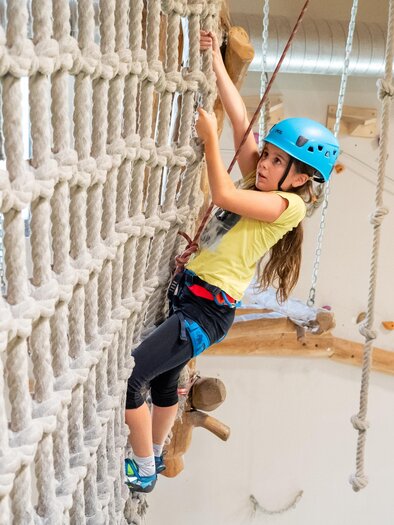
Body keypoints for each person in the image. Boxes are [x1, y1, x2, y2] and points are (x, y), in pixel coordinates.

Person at [124, 30, 339, 493]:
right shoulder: (259, 183)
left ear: (301, 178)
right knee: (163, 386)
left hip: (207, 311)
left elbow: (221, 193)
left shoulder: (288, 207)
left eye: (278, 162)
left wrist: (208, 139)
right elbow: (243, 124)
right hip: (191, 299)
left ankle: (142, 468)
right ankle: (157, 455)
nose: (263, 164)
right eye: (266, 156)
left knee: (132, 377)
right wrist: (217, 64)